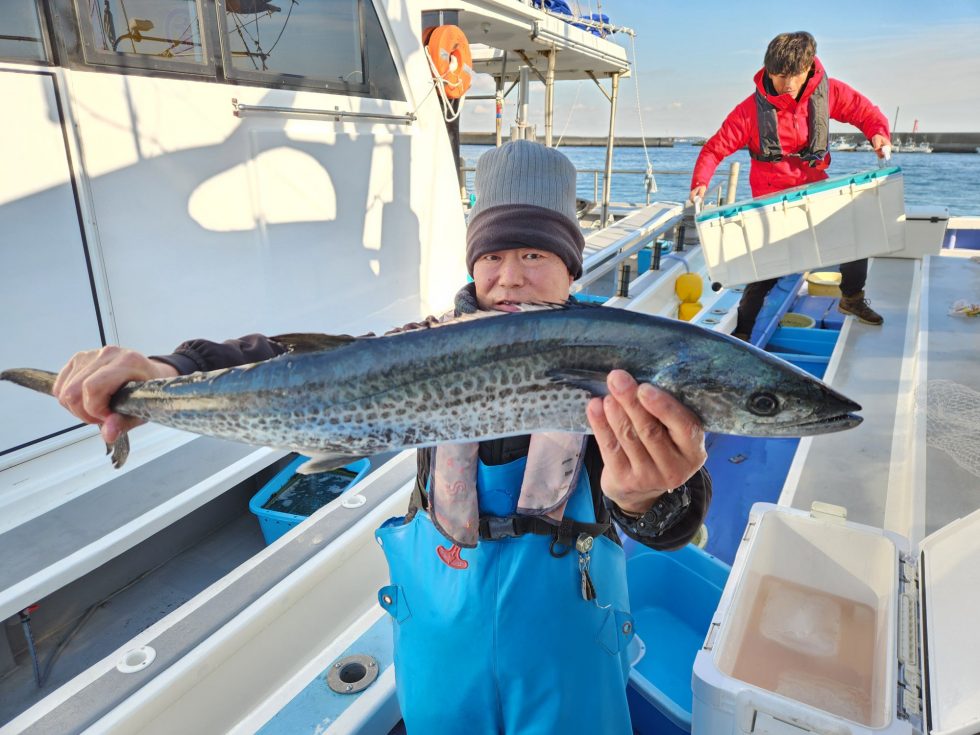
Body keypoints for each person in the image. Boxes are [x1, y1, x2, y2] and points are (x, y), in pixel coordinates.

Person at [52, 140, 711, 734]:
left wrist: (651, 498)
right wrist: (173, 371)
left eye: (534, 254)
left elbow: (671, 520)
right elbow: (300, 358)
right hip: (441, 642)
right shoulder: (425, 345)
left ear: (572, 267)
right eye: (493, 254)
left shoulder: (617, 363)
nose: (510, 275)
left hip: (566, 648)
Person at [689, 31, 890, 340]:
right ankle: (742, 335)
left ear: (809, 67)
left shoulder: (829, 92)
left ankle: (851, 299)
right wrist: (701, 181)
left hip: (814, 188)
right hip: (771, 200)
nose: (788, 84)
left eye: (794, 74)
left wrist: (878, 133)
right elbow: (715, 148)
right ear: (768, 70)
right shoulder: (749, 111)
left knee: (856, 235)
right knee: (763, 275)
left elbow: (865, 112)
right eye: (779, 75)